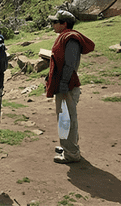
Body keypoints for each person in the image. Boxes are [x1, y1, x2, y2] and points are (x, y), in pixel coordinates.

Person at [45, 10, 95, 164]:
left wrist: (63, 83)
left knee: (66, 119)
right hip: (64, 84)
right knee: (65, 118)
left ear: (64, 24)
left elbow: (70, 64)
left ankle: (71, 153)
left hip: (66, 85)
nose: (52, 25)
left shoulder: (70, 39)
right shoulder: (66, 37)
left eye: (55, 22)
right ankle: (67, 147)